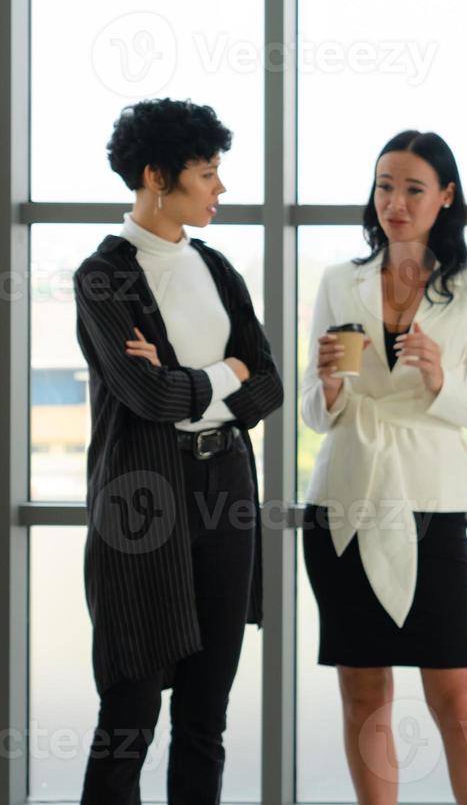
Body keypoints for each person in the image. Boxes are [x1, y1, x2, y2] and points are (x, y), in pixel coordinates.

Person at [77, 98, 284, 804]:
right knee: (130, 712)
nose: (220, 189)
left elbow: (271, 387)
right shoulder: (103, 276)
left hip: (225, 488)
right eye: (206, 174)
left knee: (205, 718)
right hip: (142, 504)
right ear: (156, 176)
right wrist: (225, 374)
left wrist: (188, 379)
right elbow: (146, 397)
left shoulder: (218, 268)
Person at [300, 130, 467, 805]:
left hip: (432, 502)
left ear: (445, 197)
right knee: (364, 691)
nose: (394, 201)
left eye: (413, 188)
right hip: (345, 498)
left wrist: (442, 381)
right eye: (384, 185)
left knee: (457, 694)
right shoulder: (341, 281)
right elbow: (314, 410)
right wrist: (331, 387)